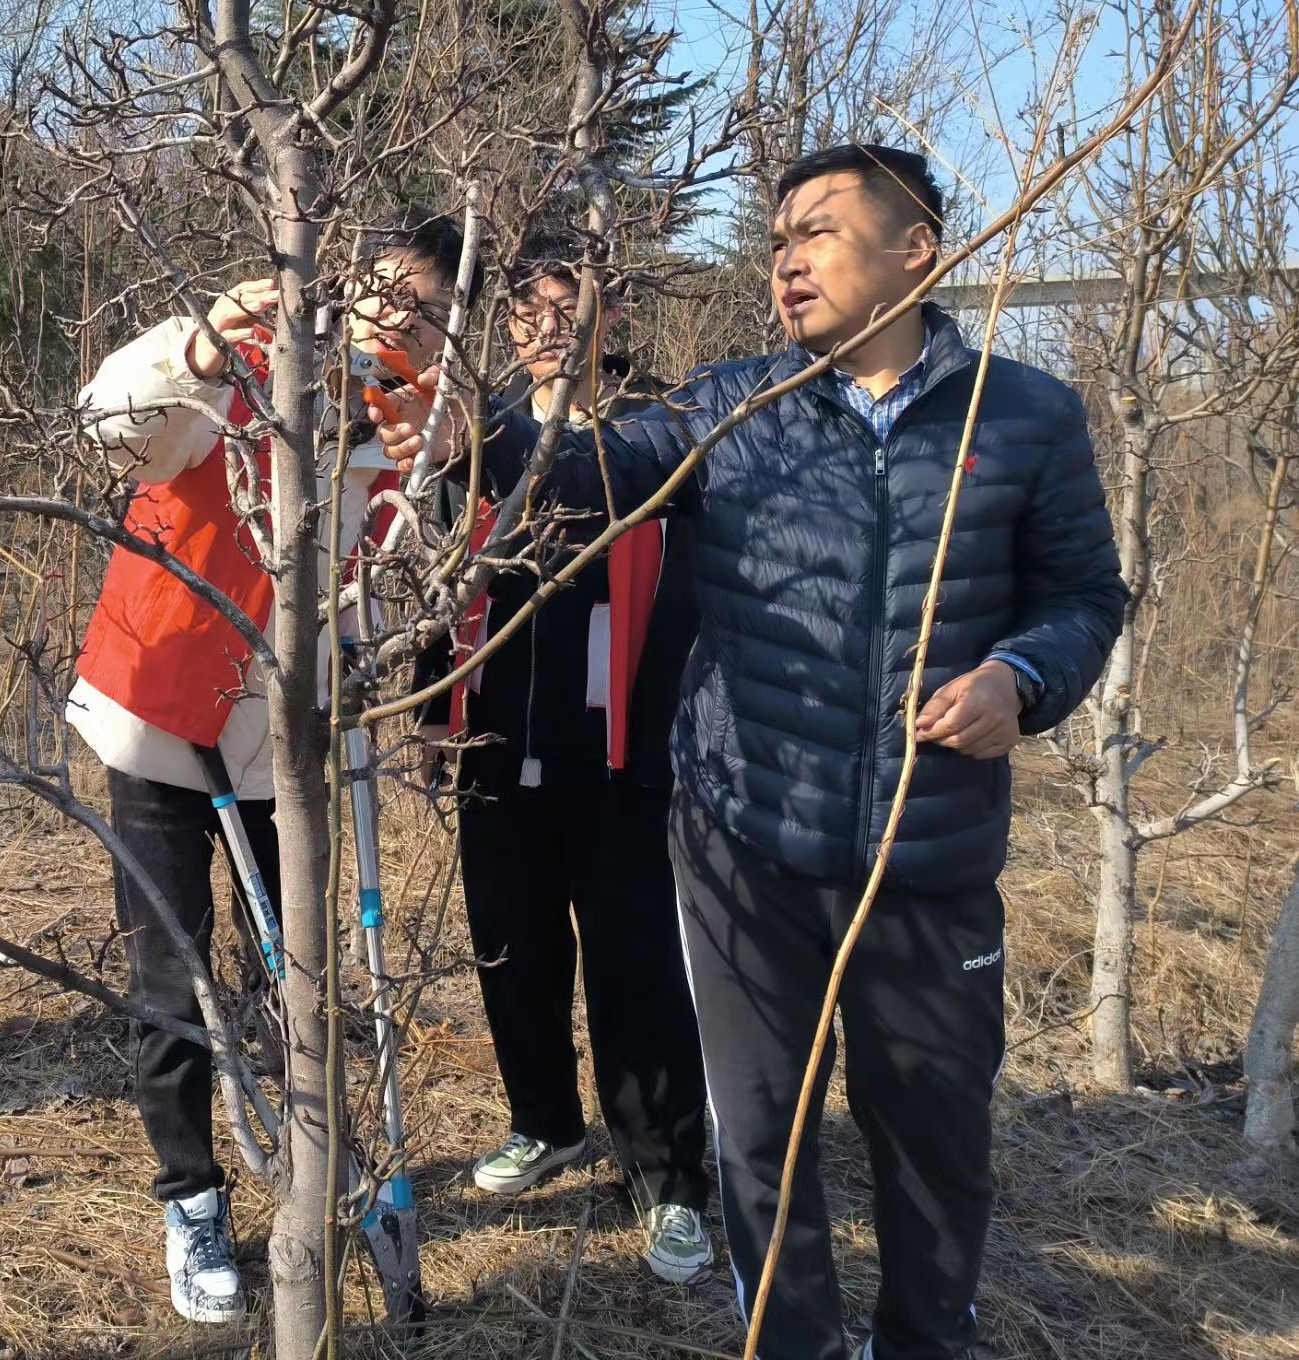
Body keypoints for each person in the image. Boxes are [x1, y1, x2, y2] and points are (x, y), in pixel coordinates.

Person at [374, 145, 1126, 1360]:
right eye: (775, 237)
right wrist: (469, 436)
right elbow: (591, 467)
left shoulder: (1023, 416)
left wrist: (1019, 677)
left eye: (818, 232)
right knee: (759, 1147)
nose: (785, 259)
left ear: (913, 252)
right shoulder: (737, 405)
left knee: (932, 1147)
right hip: (744, 850)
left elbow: (1085, 595)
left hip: (921, 857)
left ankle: (924, 1339)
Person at [68, 210, 471, 1323]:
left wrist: (442, 476)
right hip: (156, 711)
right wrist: (195, 350)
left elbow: (409, 596)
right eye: (382, 293)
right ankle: (189, 1198)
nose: (397, 322)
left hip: (283, 747)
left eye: (428, 311)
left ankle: (302, 1159)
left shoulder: (408, 430)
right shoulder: (244, 364)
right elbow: (109, 422)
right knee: (173, 973)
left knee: (295, 973)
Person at [413, 229, 712, 1284]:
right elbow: (435, 575)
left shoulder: (662, 427)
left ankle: (668, 1173)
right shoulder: (474, 431)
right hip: (498, 743)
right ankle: (542, 1121)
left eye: (562, 306)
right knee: (510, 949)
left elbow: (668, 569)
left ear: (609, 315)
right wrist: (425, 708)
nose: (540, 328)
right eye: (522, 311)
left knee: (634, 964)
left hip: (618, 753)